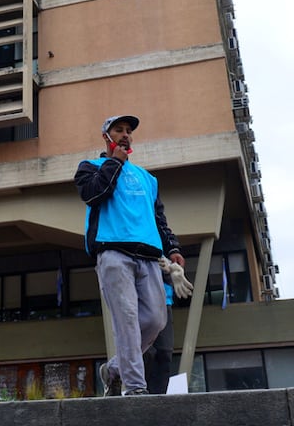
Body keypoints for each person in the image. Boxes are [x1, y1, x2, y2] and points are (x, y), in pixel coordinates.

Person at [74, 114, 184, 396]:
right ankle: (135, 388)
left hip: (150, 256)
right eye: (118, 130)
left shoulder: (148, 179)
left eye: (128, 131)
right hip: (113, 252)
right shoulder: (90, 167)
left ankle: (114, 369)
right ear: (106, 137)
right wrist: (115, 162)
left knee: (156, 321)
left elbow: (159, 219)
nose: (125, 135)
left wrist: (172, 248)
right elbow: (93, 195)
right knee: (127, 321)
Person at [143, 281, 174, 394]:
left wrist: (174, 273)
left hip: (164, 299)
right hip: (141, 300)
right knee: (146, 352)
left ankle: (157, 400)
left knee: (164, 353)